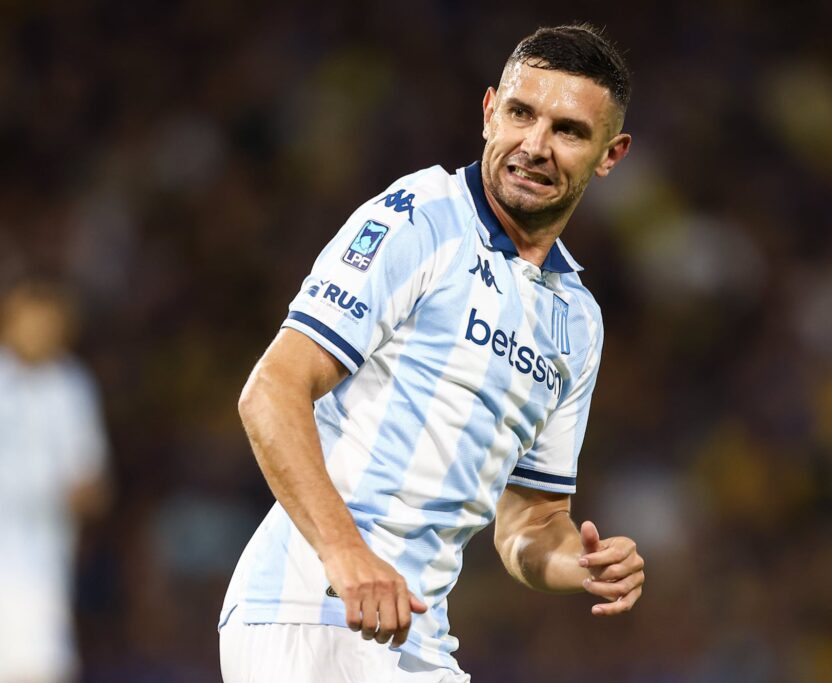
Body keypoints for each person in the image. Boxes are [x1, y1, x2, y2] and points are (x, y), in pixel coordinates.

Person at [219, 24, 644, 682]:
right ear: (489, 112)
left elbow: (532, 521)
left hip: (415, 629)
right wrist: (345, 553)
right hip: (312, 609)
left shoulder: (577, 320)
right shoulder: (420, 219)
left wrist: (579, 564)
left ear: (610, 154)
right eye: (521, 113)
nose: (535, 145)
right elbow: (271, 391)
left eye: (567, 130)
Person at [0, 279, 111, 683]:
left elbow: (94, 484)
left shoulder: (72, 388)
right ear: (9, 323)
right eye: (30, 324)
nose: (38, 334)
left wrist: (83, 494)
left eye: (47, 326)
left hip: (40, 566)